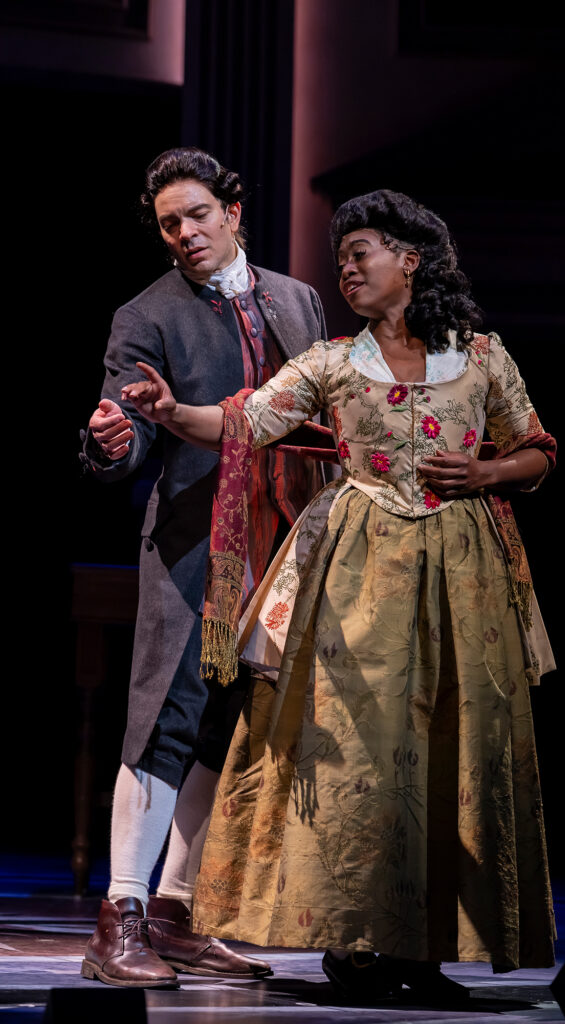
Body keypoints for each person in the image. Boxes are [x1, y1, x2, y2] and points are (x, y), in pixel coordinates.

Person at [122, 189, 557, 1003]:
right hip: (355, 577)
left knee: (447, 749)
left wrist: (487, 471)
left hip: (461, 575)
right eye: (342, 257)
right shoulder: (329, 362)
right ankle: (356, 942)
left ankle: (426, 950)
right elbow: (246, 422)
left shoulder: (483, 357)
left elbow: (535, 449)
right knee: (357, 760)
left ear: (410, 260)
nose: (347, 268)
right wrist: (171, 409)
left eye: (363, 253)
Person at [80, 147, 327, 989]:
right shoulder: (146, 315)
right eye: (168, 224)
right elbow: (127, 422)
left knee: (229, 728)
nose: (184, 234)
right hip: (195, 546)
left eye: (196, 215)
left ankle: (179, 912)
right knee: (166, 718)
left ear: (233, 211)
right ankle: (121, 916)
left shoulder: (298, 301)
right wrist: (113, 439)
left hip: (285, 543)